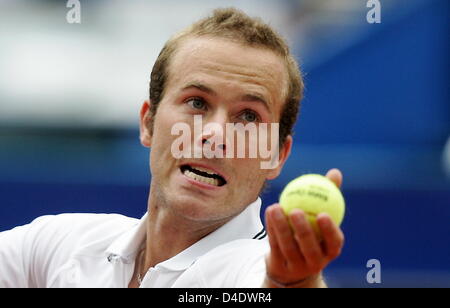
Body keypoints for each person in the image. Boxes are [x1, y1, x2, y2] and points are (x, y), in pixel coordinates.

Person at [0, 8, 344, 288]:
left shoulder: (251, 270)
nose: (215, 135)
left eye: (249, 116)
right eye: (197, 102)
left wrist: (296, 283)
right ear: (148, 122)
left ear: (277, 155)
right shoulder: (56, 247)